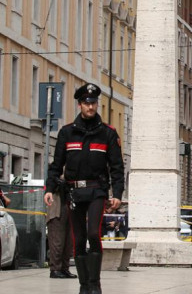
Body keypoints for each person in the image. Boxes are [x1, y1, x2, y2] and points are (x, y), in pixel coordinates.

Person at [44, 83, 124, 294]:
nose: (90, 107)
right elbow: (56, 164)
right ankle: (83, 286)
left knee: (92, 234)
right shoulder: (67, 132)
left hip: (97, 190)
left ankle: (95, 285)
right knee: (78, 239)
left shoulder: (107, 133)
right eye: (87, 103)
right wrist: (49, 189)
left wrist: (117, 194)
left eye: (94, 103)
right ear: (80, 105)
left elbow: (117, 167)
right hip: (74, 192)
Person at [45, 174, 77, 279]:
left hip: (69, 207)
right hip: (57, 208)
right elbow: (51, 183)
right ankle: (55, 269)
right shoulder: (56, 171)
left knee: (68, 242)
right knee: (57, 241)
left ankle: (64, 268)